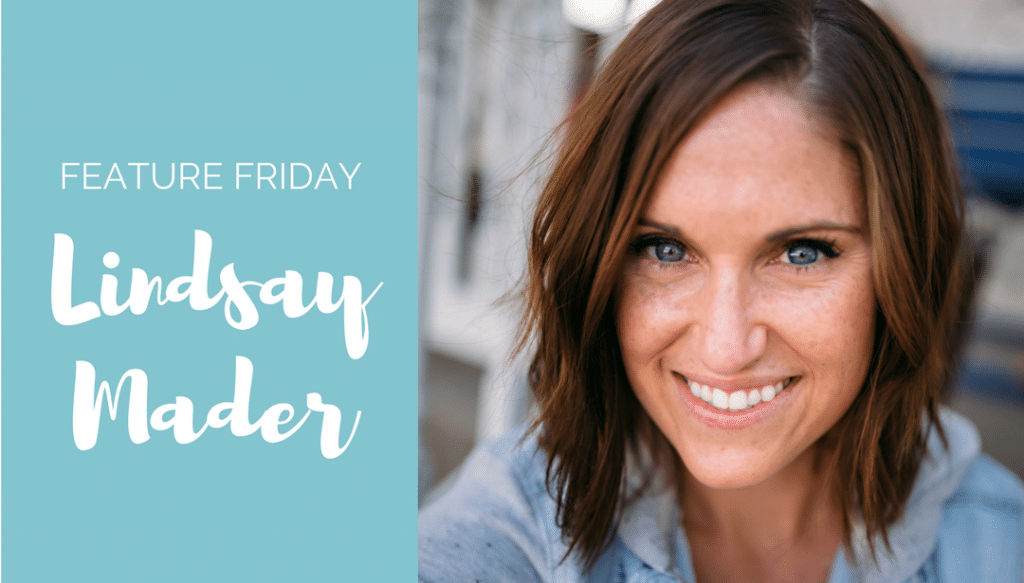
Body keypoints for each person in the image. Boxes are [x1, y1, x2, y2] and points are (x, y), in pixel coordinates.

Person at [418, 0, 1024, 581]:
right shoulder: (515, 526)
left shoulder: (998, 544)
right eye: (665, 250)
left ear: (902, 266)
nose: (727, 349)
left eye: (802, 253)